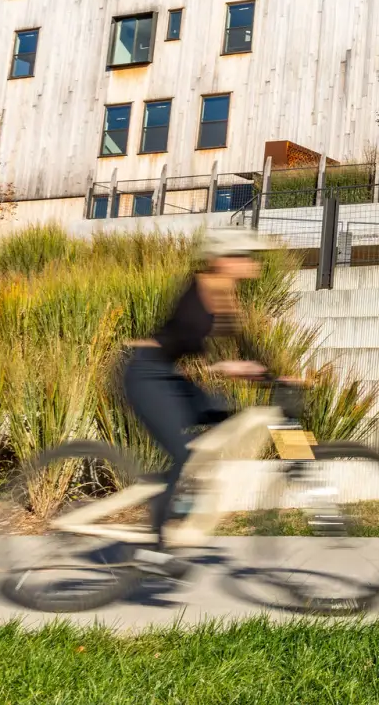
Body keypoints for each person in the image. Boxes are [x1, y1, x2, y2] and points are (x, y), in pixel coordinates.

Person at [122, 227, 274, 575]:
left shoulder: (226, 295)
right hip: (145, 375)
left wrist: (275, 375)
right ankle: (154, 548)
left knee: (224, 414)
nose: (252, 263)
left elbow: (246, 346)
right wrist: (225, 365)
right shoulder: (197, 290)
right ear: (222, 260)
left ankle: (182, 493)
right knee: (182, 453)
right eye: (244, 257)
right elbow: (189, 333)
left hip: (169, 378)